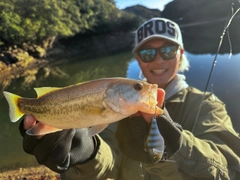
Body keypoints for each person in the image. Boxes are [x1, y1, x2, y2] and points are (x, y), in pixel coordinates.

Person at [19, 17, 240, 179]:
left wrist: (177, 143)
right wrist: (87, 153)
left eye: (168, 50)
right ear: (138, 58)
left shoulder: (208, 105)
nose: (158, 60)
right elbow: (109, 168)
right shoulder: (120, 105)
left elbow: (230, 168)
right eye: (147, 53)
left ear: (181, 54)